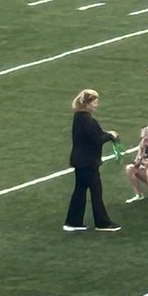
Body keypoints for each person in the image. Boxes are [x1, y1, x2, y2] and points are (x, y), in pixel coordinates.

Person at [64, 88, 121, 232]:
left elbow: (95, 135)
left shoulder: (79, 117)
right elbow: (97, 139)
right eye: (95, 101)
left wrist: (107, 134)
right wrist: (111, 136)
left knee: (80, 191)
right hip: (88, 161)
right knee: (96, 191)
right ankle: (102, 223)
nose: (97, 104)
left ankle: (73, 221)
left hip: (80, 160)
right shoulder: (87, 120)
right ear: (88, 103)